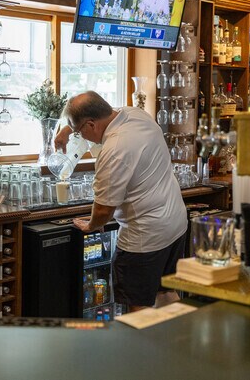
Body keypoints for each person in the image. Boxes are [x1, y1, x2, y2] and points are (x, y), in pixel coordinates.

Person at [55, 91, 187, 312]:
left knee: (139, 307)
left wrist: (91, 226)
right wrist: (68, 129)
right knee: (164, 292)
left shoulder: (114, 150)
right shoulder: (135, 114)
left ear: (90, 125)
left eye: (79, 132)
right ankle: (179, 345)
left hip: (145, 238)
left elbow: (104, 209)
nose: (81, 137)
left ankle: (140, 347)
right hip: (175, 225)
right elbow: (99, 109)